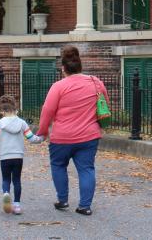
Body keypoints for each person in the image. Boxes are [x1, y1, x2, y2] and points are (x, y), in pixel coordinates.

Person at [37, 46, 109, 216]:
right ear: (80, 66)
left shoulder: (58, 86)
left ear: (63, 68)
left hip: (62, 138)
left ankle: (62, 200)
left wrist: (42, 132)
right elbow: (104, 104)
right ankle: (85, 206)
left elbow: (47, 111)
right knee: (86, 169)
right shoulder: (95, 82)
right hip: (89, 136)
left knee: (58, 165)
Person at [0, 94, 43, 215]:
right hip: (18, 156)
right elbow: (31, 138)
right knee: (17, 180)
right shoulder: (22, 123)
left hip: (5, 156)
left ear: (2, 111)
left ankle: (6, 194)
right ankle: (17, 205)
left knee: (6, 178)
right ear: (15, 109)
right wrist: (42, 137)